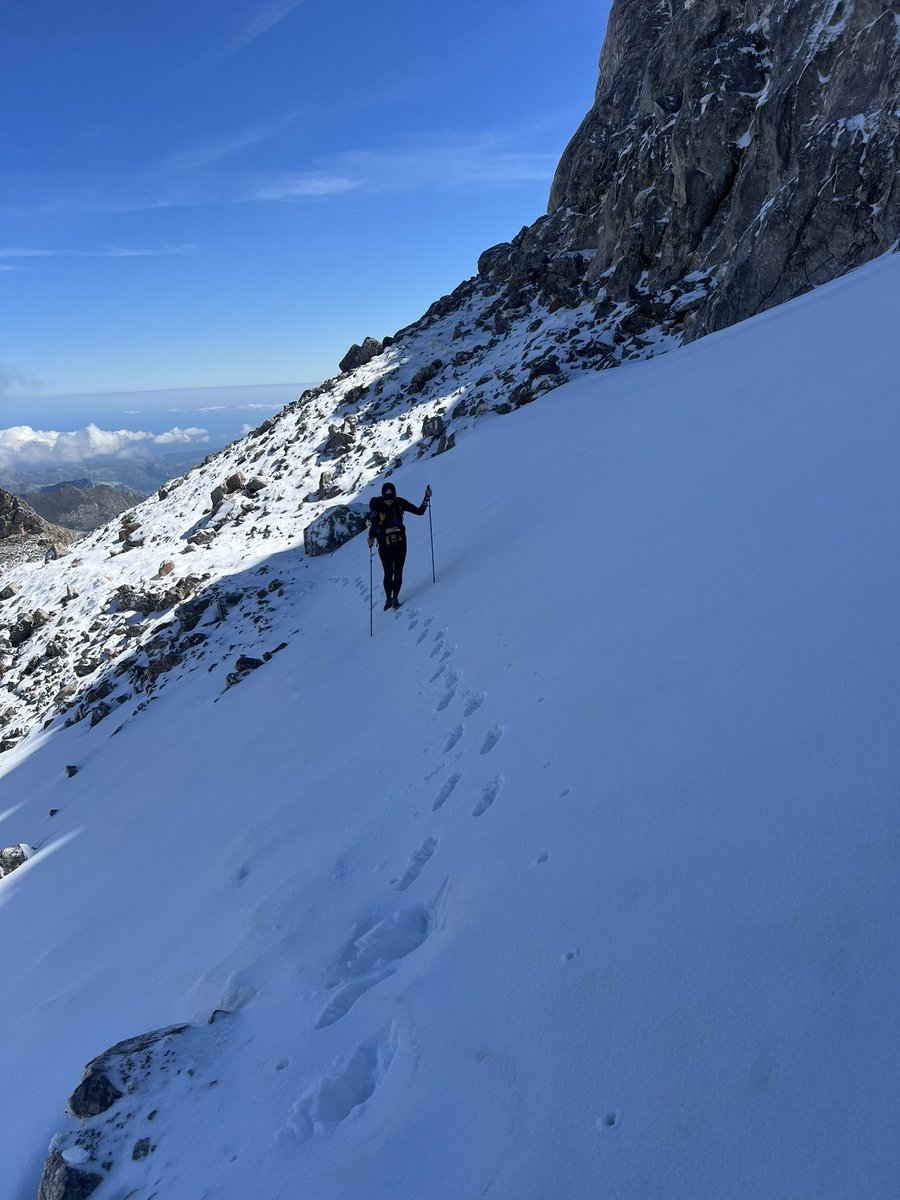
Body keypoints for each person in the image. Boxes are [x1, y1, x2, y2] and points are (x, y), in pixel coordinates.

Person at [367, 481, 432, 609]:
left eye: (391, 498)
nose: (389, 501)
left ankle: (394, 599)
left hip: (400, 543)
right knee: (388, 572)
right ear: (383, 496)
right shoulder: (378, 506)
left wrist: (426, 498)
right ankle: (388, 599)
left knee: (398, 572)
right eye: (387, 498)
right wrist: (370, 538)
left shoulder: (400, 503)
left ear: (395, 496)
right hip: (386, 545)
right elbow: (374, 525)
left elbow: (420, 511)